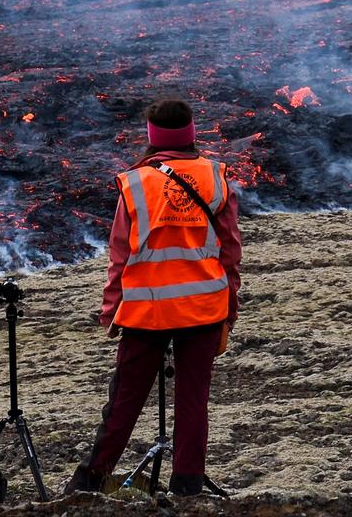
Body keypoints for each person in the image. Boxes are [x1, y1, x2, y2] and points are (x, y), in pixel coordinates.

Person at [66, 98, 242, 497]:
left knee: (125, 401)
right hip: (202, 307)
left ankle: (89, 483)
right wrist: (229, 313)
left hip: (145, 309)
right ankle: (187, 488)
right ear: (191, 132)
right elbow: (230, 250)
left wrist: (111, 312)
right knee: (193, 402)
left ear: (151, 136)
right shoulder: (216, 177)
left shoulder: (135, 182)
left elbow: (119, 254)